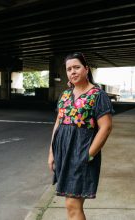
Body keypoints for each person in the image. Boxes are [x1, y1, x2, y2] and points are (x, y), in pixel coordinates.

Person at [48, 52, 114, 220]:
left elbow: (105, 128)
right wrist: (52, 152)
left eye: (76, 67)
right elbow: (58, 123)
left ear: (86, 69)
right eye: (69, 69)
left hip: (82, 152)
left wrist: (88, 156)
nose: (73, 72)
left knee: (72, 204)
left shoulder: (98, 95)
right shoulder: (65, 95)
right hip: (64, 152)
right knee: (70, 204)